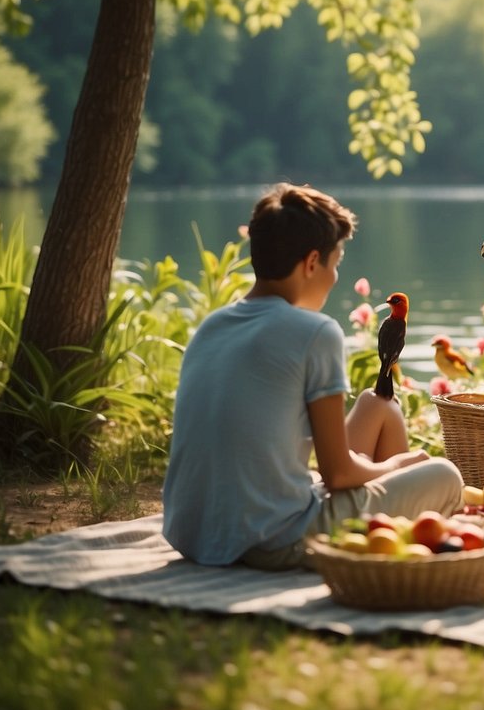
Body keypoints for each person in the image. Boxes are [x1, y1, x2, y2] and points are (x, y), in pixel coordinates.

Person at [162, 183, 463, 570]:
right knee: (444, 475)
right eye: (335, 264)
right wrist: (398, 466)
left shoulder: (211, 326)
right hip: (271, 540)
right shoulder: (316, 332)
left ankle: (388, 535)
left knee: (378, 405)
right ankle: (394, 550)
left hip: (192, 533)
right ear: (311, 262)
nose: (336, 276)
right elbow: (337, 475)